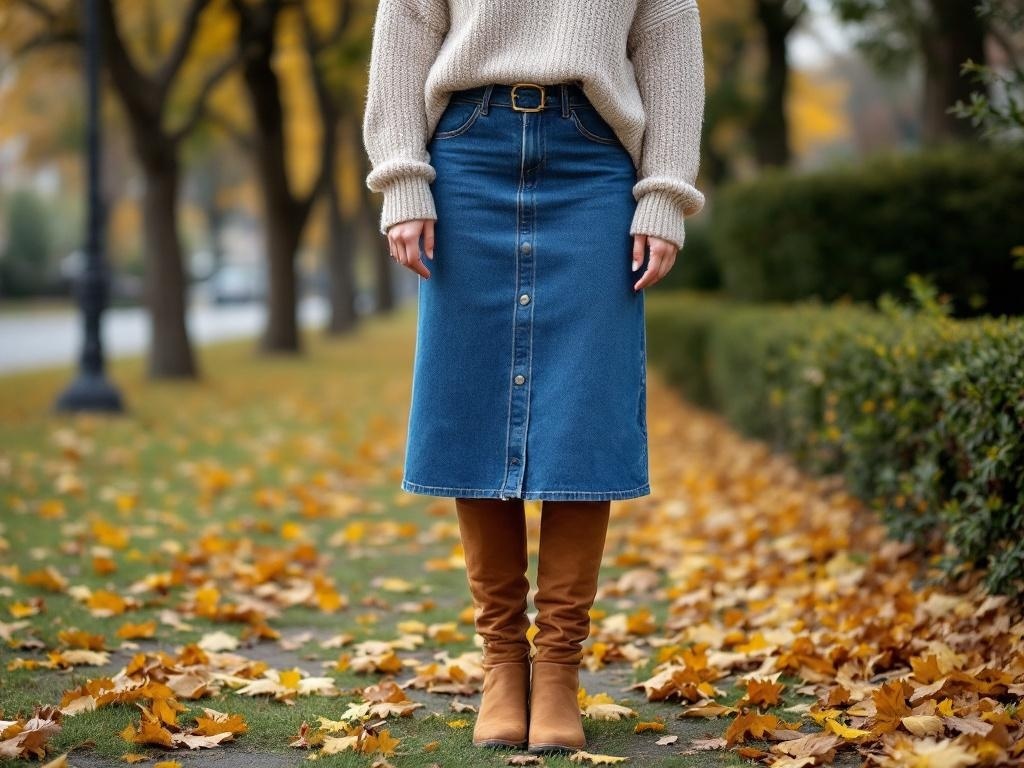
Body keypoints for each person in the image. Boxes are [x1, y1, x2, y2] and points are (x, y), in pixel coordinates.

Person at [361, 0, 705, 755]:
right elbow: (406, 27)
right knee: (471, 398)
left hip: (594, 159)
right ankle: (502, 665)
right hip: (465, 151)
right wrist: (401, 181)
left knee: (586, 406)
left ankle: (556, 668)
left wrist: (665, 193)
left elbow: (668, 39)